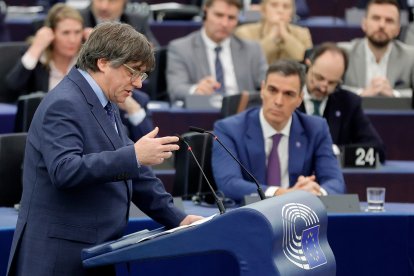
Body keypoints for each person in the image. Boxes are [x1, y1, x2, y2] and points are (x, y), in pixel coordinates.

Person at [7, 22, 202, 276]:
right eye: (133, 72)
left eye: (142, 75)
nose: (138, 84)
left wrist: (178, 218)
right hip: (59, 258)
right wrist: (134, 156)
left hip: (95, 251)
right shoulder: (65, 103)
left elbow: (135, 172)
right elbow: (65, 171)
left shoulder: (104, 102)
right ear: (103, 62)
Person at [6, 3, 152, 141]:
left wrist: (98, 47)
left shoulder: (92, 66)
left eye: (77, 32)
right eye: (66, 33)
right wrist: (36, 48)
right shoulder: (38, 60)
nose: (72, 39)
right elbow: (11, 89)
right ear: (51, 34)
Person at [211, 59, 345, 202]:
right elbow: (229, 183)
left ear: (300, 99)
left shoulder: (316, 128)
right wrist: (284, 194)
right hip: (251, 216)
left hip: (298, 218)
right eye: (272, 90)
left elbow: (335, 182)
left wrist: (314, 192)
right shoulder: (229, 129)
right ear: (262, 89)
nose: (278, 101)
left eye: (289, 94)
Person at [298, 42, 386, 163]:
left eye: (332, 83)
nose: (323, 87)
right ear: (308, 65)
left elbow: (376, 149)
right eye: (319, 78)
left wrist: (336, 152)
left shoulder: (348, 103)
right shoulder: (287, 94)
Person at [166, 0, 268, 102]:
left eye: (231, 18)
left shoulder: (252, 50)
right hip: (203, 112)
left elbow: (266, 86)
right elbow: (176, 89)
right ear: (205, 12)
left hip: (242, 113)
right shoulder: (181, 48)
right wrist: (196, 90)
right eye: (219, 15)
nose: (224, 23)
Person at [339, 0, 414, 97]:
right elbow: (333, 89)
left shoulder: (411, 57)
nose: (381, 25)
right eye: (376, 18)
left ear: (398, 29)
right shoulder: (343, 53)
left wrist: (394, 94)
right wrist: (361, 93)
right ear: (364, 24)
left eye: (389, 20)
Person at [235, 0, 312, 64]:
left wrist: (286, 36)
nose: (280, 11)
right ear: (263, 10)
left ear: (292, 13)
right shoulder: (244, 32)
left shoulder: (302, 33)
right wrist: (272, 36)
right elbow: (249, 61)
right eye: (274, 5)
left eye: (286, 7)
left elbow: (307, 60)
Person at [80, 0, 158, 46]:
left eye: (112, 1)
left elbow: (152, 49)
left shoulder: (137, 21)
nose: (104, 7)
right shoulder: (77, 20)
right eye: (100, 0)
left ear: (124, 2)